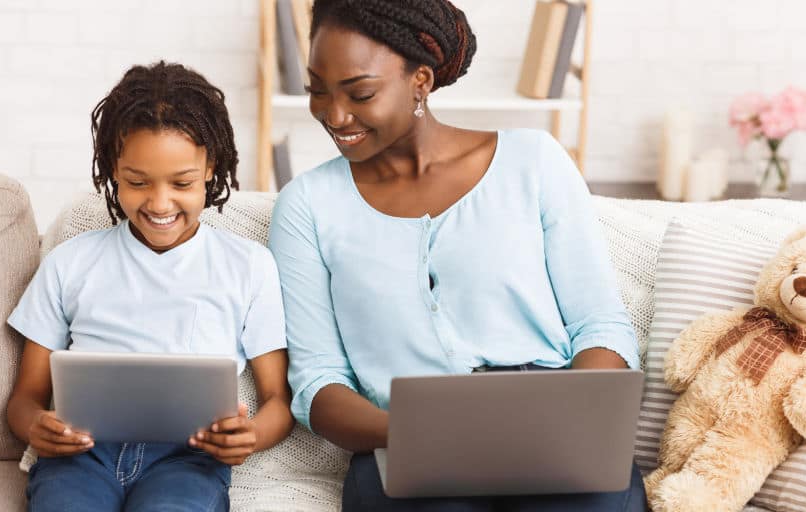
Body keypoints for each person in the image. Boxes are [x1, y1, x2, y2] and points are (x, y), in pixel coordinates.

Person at [267, 1, 646, 510]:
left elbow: (601, 327)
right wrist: (421, 431)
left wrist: (565, 420)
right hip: (403, 436)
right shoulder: (306, 206)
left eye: (360, 93)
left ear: (419, 81)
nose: (334, 115)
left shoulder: (533, 161)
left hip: (545, 421)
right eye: (317, 90)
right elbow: (318, 383)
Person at [6, 62, 294, 512]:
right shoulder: (70, 261)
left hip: (188, 460)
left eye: (182, 183)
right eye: (137, 182)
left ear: (210, 169)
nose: (160, 203)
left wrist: (251, 436)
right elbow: (24, 399)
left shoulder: (249, 266)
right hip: (81, 457)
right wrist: (36, 426)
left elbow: (278, 400)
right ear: (113, 171)